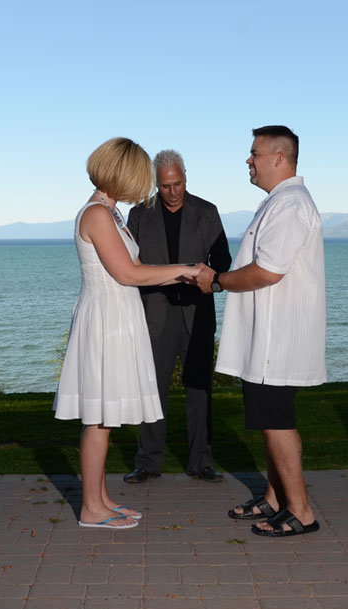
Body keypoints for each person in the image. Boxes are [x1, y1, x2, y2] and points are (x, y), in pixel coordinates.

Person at [54, 138, 201, 529]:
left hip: (119, 314)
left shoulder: (112, 213)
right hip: (105, 317)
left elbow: (134, 266)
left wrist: (178, 270)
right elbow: (128, 273)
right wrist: (184, 269)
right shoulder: (98, 215)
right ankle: (90, 509)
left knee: (107, 416)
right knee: (99, 418)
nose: (144, 187)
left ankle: (100, 499)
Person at [194, 125, 326, 537]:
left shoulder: (289, 206)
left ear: (279, 158)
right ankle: (275, 498)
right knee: (272, 420)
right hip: (269, 336)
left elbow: (268, 271)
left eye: (254, 153)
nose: (248, 160)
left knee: (277, 421)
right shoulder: (279, 202)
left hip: (278, 338)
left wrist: (217, 280)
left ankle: (301, 510)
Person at [123, 150, 231, 485]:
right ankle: (148, 463)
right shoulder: (139, 214)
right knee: (152, 390)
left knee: (199, 390)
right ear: (157, 183)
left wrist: (207, 277)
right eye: (166, 185)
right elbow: (127, 263)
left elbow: (223, 259)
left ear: (186, 177)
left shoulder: (207, 212)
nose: (172, 191)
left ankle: (201, 462)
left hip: (198, 314)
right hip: (154, 315)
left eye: (178, 183)